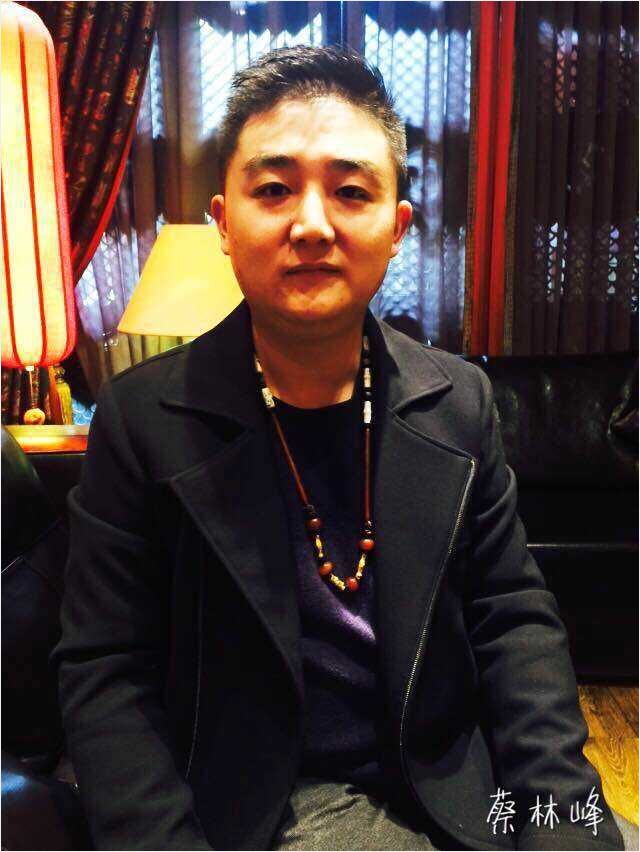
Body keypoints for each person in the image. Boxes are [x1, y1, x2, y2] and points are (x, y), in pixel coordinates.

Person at [52, 46, 636, 851]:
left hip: (452, 779)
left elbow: (513, 624)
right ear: (224, 222)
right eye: (274, 189)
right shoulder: (142, 420)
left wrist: (564, 819)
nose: (312, 225)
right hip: (267, 804)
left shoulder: (458, 401)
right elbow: (106, 670)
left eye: (351, 191)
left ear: (396, 228)